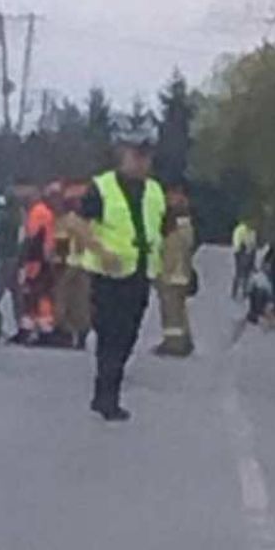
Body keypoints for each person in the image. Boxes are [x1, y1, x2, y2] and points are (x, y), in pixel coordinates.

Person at [70, 118, 166, 420]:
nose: (141, 161)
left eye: (146, 156)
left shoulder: (155, 191)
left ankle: (108, 392)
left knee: (128, 336)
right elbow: (76, 223)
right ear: (122, 154)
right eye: (136, 155)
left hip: (140, 273)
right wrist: (102, 252)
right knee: (110, 334)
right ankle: (106, 396)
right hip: (108, 275)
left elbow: (163, 231)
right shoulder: (102, 188)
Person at [154, 183, 196, 357]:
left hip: (173, 272)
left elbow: (177, 246)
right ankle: (183, 340)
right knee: (177, 308)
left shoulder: (176, 220)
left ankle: (174, 344)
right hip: (176, 271)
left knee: (171, 310)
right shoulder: (180, 219)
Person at [16, 184, 59, 344]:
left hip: (36, 261)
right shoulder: (45, 212)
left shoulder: (37, 212)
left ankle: (29, 329)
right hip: (43, 259)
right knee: (42, 295)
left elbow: (33, 239)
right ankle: (44, 329)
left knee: (32, 295)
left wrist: (24, 260)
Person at [54, 186, 92, 349]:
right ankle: (82, 334)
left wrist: (57, 261)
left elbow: (61, 245)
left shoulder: (65, 222)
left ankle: (66, 333)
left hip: (68, 266)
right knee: (82, 302)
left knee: (64, 300)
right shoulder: (87, 223)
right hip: (84, 265)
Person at [0, 185, 27, 335]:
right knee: (16, 294)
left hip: (3, 256)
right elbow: (21, 238)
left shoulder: (2, 215)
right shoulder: (19, 216)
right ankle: (20, 324)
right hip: (12, 256)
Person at [231, 218, 257, 301]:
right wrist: (240, 250)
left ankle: (244, 292)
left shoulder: (252, 231)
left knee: (247, 273)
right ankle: (234, 291)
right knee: (239, 273)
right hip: (240, 252)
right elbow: (237, 241)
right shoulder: (240, 229)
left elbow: (253, 243)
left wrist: (252, 255)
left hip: (249, 253)